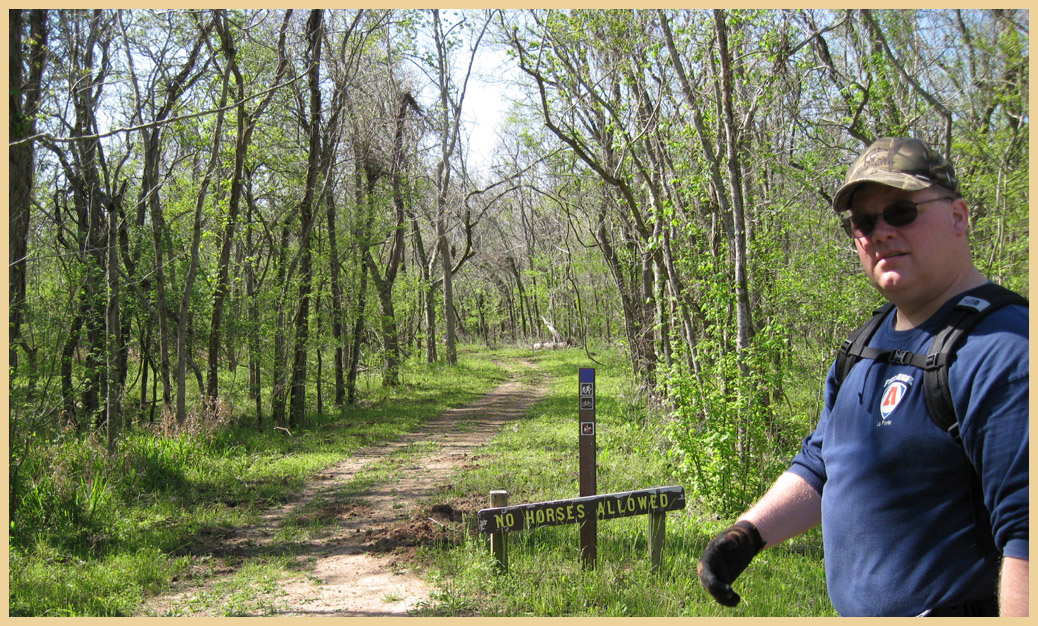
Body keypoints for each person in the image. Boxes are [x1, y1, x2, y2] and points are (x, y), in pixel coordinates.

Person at [696, 137, 1028, 616]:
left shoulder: (1004, 349)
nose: (881, 231)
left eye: (901, 211)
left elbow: (1026, 537)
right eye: (864, 222)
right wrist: (746, 535)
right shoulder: (866, 343)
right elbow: (821, 462)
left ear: (959, 217)